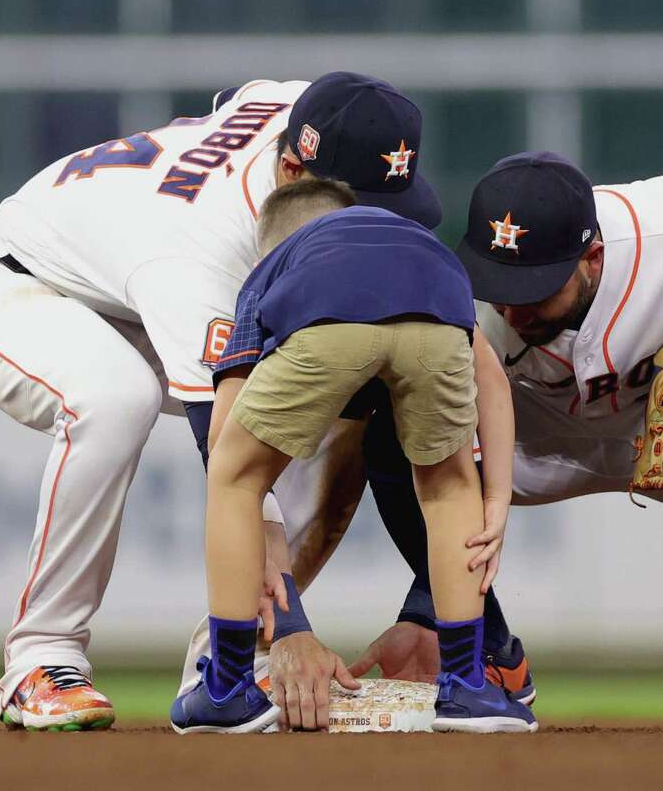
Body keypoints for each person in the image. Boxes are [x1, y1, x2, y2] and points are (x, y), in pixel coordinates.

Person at [0, 72, 443, 731]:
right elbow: (233, 462)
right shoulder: (198, 256)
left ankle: (227, 660)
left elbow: (248, 101)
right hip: (11, 282)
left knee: (335, 406)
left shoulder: (305, 112)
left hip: (127, 284)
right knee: (116, 396)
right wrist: (292, 626)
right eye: (355, 209)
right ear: (291, 171)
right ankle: (39, 658)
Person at [330, 153, 663, 731]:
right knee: (395, 428)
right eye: (499, 283)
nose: (511, 306)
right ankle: (490, 650)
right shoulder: (459, 296)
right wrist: (426, 603)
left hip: (658, 431)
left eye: (533, 289)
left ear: (592, 259)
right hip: (523, 441)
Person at [169, 180, 535, 734]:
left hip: (327, 320)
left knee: (232, 477)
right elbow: (495, 386)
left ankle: (225, 689)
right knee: (447, 487)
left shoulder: (277, 266)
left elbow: (226, 434)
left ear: (271, 244)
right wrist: (498, 495)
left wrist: (254, 522)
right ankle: (465, 689)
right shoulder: (416, 246)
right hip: (438, 312)